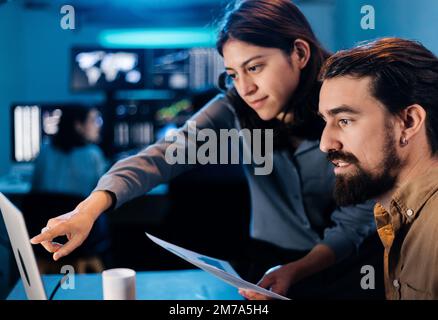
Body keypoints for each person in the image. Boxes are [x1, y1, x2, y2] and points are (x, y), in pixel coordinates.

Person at [31, 0, 377, 299]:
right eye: (233, 73)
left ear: (299, 53)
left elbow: (353, 223)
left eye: (255, 67)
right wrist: (88, 210)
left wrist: (296, 270)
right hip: (266, 264)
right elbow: (163, 154)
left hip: (343, 268)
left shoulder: (345, 108)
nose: (246, 88)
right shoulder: (233, 105)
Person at [318, 37, 438, 299]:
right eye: (326, 121)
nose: (325, 144)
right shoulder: (390, 212)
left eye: (345, 120)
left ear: (408, 121)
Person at [31, 105, 107, 197]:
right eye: (93, 121)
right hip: (82, 211)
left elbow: (34, 190)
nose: (98, 126)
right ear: (78, 126)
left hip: (47, 210)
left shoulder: (44, 152)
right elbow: (101, 194)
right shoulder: (93, 155)